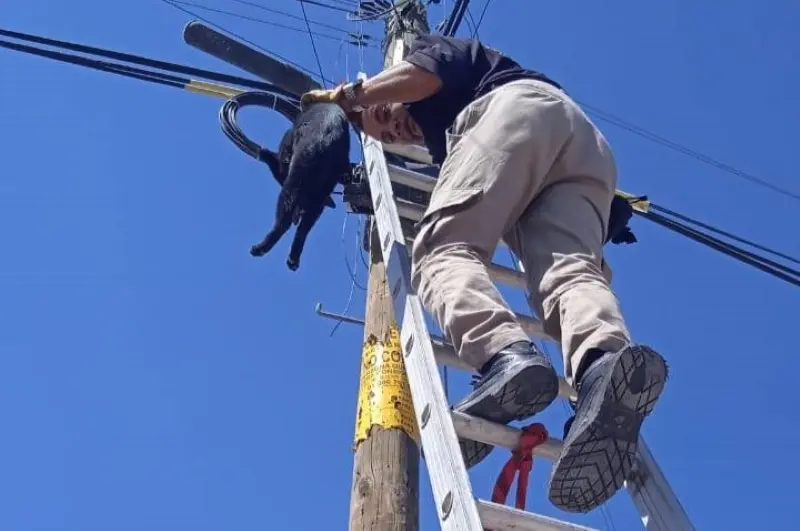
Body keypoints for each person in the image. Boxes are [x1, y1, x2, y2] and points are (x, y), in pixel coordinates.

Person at [301, 34, 668, 514]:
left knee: (439, 250)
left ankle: (504, 357)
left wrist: (351, 98)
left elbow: (422, 76)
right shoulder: (447, 130)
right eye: (388, 136)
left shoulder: (438, 64)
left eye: (388, 114)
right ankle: (602, 368)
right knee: (570, 271)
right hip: (585, 151)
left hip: (513, 112)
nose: (395, 128)